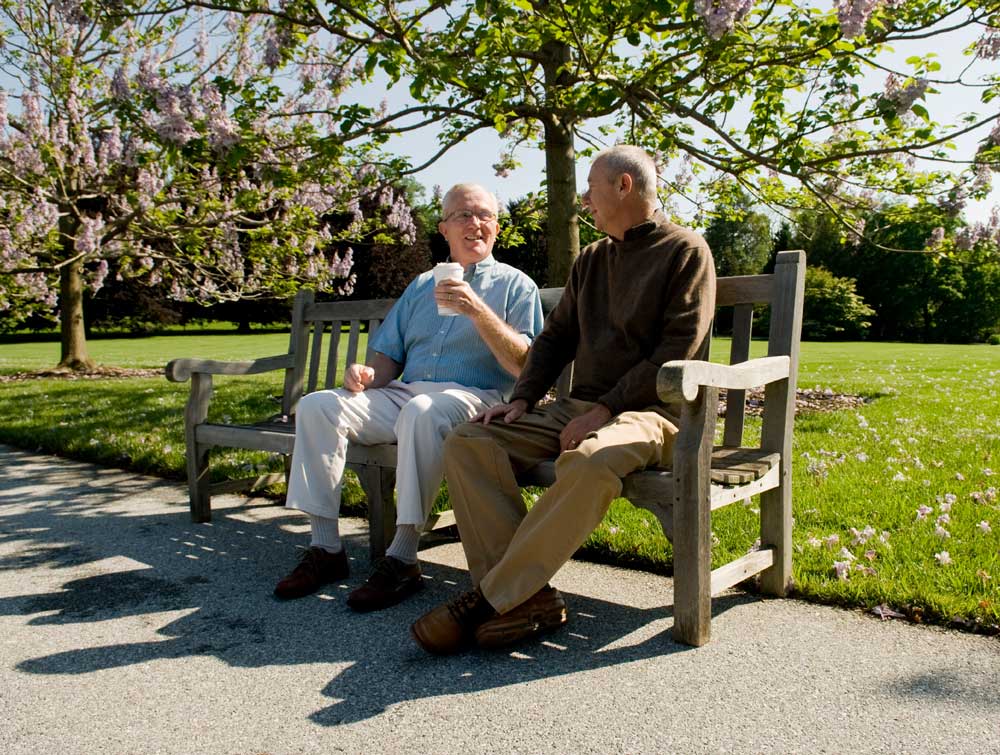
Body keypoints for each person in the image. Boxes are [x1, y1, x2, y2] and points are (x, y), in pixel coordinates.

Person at [410, 146, 717, 654]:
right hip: (580, 410)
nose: (584, 201)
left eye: (591, 188)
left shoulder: (685, 251)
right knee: (469, 441)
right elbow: (553, 339)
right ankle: (528, 600)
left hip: (655, 415)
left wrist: (606, 409)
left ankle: (492, 600)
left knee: (591, 459)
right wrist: (524, 398)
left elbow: (675, 351)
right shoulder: (593, 259)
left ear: (623, 185)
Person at [274, 183, 543, 612]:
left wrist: (477, 310)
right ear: (444, 229)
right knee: (318, 405)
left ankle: (402, 556)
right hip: (404, 393)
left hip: (474, 398)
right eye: (463, 215)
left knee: (422, 410)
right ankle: (325, 548)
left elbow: (524, 366)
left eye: (485, 215)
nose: (475, 224)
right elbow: (387, 359)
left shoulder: (516, 286)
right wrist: (364, 374)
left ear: (496, 225)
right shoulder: (420, 286)